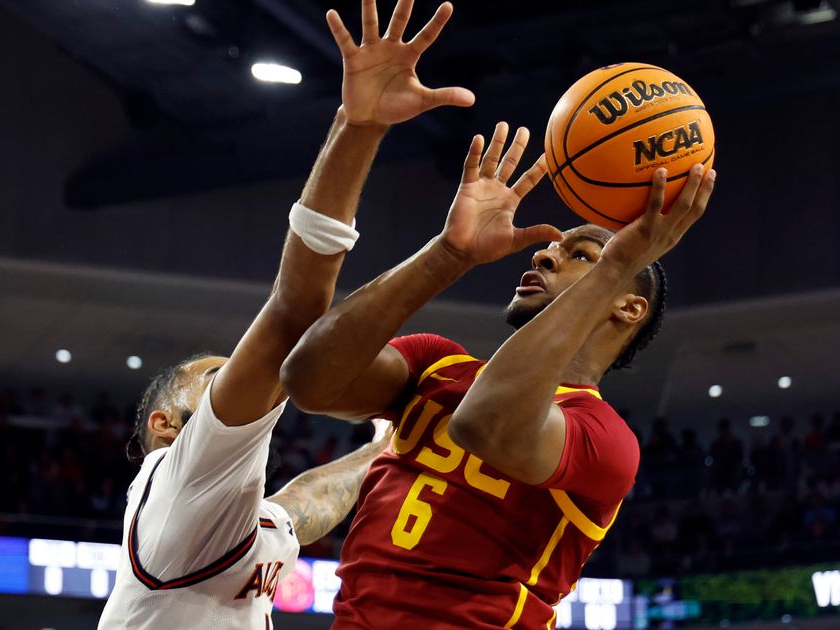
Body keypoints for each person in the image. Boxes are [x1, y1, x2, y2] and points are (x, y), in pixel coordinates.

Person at [97, 1, 475, 627]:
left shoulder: (216, 516)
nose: (247, 376)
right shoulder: (181, 476)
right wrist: (359, 129)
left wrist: (387, 444)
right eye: (218, 379)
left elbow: (304, 505)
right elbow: (294, 311)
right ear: (167, 426)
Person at [282, 123, 716, 626]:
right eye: (558, 248)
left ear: (628, 306)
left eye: (581, 255)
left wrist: (617, 262)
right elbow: (309, 378)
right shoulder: (437, 363)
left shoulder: (605, 440)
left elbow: (483, 423)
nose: (545, 252)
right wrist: (449, 253)